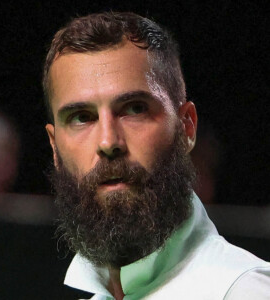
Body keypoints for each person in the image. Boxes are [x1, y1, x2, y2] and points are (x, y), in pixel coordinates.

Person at [43, 12, 270, 299]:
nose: (108, 141)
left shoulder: (246, 291)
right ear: (54, 146)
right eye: (81, 117)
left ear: (186, 126)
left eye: (135, 109)